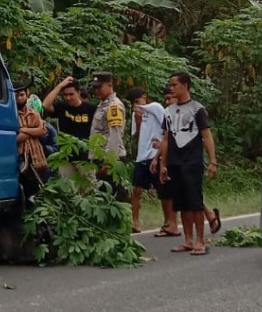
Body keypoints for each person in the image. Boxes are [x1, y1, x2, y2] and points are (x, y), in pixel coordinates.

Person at [155, 72, 221, 256]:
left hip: (192, 161)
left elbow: (206, 135)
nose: (171, 88)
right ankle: (188, 241)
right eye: (171, 85)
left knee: (195, 202)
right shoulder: (168, 112)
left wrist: (213, 161)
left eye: (174, 84)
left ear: (185, 85)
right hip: (175, 161)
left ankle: (200, 241)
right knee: (181, 203)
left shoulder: (197, 109)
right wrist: (163, 164)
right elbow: (166, 139)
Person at [127, 86, 172, 236]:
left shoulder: (156, 107)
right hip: (142, 156)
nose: (136, 105)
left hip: (156, 154)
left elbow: (167, 128)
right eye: (133, 103)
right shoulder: (136, 115)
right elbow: (137, 136)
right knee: (136, 190)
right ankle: (135, 222)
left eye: (138, 101)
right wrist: (138, 120)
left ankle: (168, 222)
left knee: (163, 190)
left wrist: (161, 145)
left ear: (144, 97)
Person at [88, 72, 128, 201]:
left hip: (110, 159)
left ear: (110, 85)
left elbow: (115, 135)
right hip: (100, 157)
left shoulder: (114, 106)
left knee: (115, 198)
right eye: (94, 87)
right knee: (103, 198)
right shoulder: (102, 104)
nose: (96, 90)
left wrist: (109, 162)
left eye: (99, 87)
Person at [14, 83, 49, 196]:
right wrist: (34, 130)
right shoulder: (11, 115)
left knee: (40, 189)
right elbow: (14, 139)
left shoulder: (34, 113)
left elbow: (43, 131)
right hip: (20, 158)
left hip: (37, 157)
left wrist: (23, 130)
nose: (19, 98)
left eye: (21, 95)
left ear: (27, 94)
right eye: (16, 96)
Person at [43, 75, 97, 144]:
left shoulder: (91, 109)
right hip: (65, 150)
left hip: (85, 149)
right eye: (65, 95)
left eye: (71, 94)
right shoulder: (61, 107)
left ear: (78, 92)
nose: (68, 98)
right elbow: (45, 104)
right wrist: (60, 86)